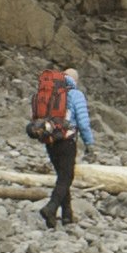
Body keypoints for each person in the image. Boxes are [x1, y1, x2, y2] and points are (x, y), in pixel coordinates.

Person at [29, 58, 95, 228]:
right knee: (66, 178)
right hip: (66, 140)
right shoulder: (75, 94)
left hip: (50, 139)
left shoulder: (48, 93)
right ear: (75, 80)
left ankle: (66, 215)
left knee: (62, 177)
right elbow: (83, 123)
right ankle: (50, 208)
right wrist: (90, 144)